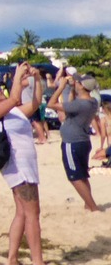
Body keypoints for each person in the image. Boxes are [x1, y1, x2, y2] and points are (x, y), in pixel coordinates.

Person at [0, 63, 45, 265]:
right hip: (18, 165)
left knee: (22, 213)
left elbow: (35, 103)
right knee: (33, 214)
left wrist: (36, 79)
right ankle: (37, 261)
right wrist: (17, 77)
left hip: (25, 164)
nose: (0, 90)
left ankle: (12, 258)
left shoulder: (11, 111)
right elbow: (14, 98)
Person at [48, 73, 102, 212]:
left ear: (82, 86)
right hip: (83, 141)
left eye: (78, 83)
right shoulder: (92, 102)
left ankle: (93, 206)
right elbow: (71, 106)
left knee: (74, 177)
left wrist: (60, 88)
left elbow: (51, 104)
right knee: (82, 175)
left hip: (72, 142)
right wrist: (72, 89)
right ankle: (88, 204)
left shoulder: (80, 104)